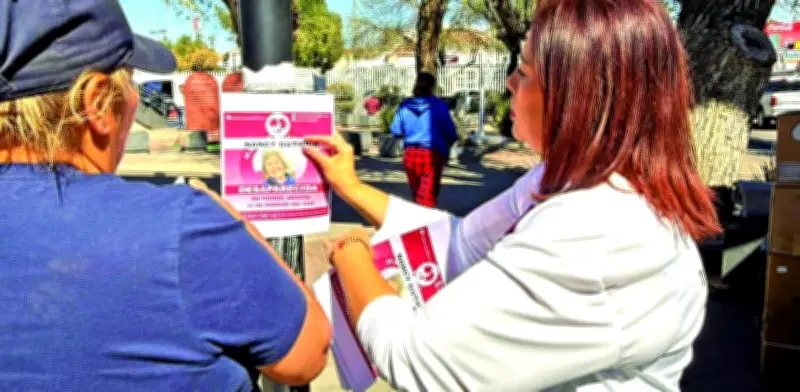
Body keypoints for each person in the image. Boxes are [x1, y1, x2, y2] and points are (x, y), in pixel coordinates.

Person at [303, 0, 721, 390]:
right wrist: (351, 187)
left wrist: (351, 253)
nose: (509, 83)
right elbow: (459, 240)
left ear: (578, 96)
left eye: (524, 71)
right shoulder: (572, 178)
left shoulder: (599, 232)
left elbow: (413, 357)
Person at [0, 1, 330, 391]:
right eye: (131, 82)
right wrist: (236, 223)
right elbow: (307, 356)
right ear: (98, 104)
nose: (135, 99)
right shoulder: (181, 227)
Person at [390, 72, 459, 207]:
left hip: (410, 155)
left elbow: (396, 130)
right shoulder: (439, 105)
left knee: (417, 195)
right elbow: (450, 132)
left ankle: (419, 217)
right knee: (427, 199)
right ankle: (424, 219)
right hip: (432, 155)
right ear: (433, 87)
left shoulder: (405, 105)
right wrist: (449, 143)